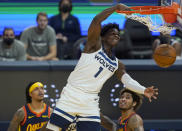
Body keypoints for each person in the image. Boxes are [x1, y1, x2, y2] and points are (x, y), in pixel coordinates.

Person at [43, 3, 158, 131]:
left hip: (90, 101)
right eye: (112, 33)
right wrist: (115, 8)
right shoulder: (93, 45)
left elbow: (127, 81)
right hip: (72, 94)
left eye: (118, 34)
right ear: (103, 36)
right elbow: (97, 20)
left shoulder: (117, 64)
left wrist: (143, 90)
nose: (116, 35)